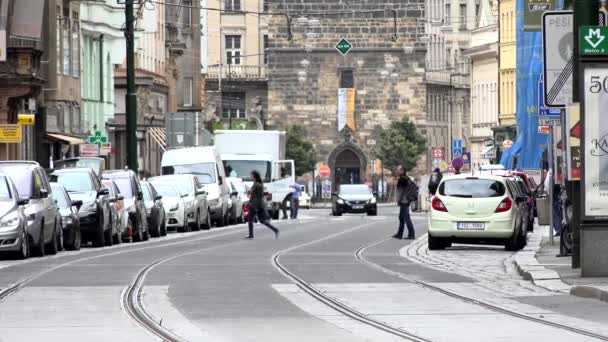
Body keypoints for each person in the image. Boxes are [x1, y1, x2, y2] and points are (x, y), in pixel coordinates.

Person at [246, 170, 279, 239]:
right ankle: (275, 229)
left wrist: (254, 205)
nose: (250, 176)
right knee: (262, 221)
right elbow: (254, 194)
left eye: (251, 175)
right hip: (257, 204)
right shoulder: (256, 184)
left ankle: (251, 235)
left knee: (250, 219)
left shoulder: (257, 185)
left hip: (255, 205)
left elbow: (259, 196)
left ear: (254, 176)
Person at [394, 165, 418, 240]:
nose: (397, 171)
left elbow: (400, 191)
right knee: (401, 217)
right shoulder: (407, 178)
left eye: (398, 170)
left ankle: (411, 234)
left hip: (404, 200)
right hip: (406, 200)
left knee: (406, 218)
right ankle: (399, 233)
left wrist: (398, 200)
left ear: (402, 171)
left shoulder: (402, 179)